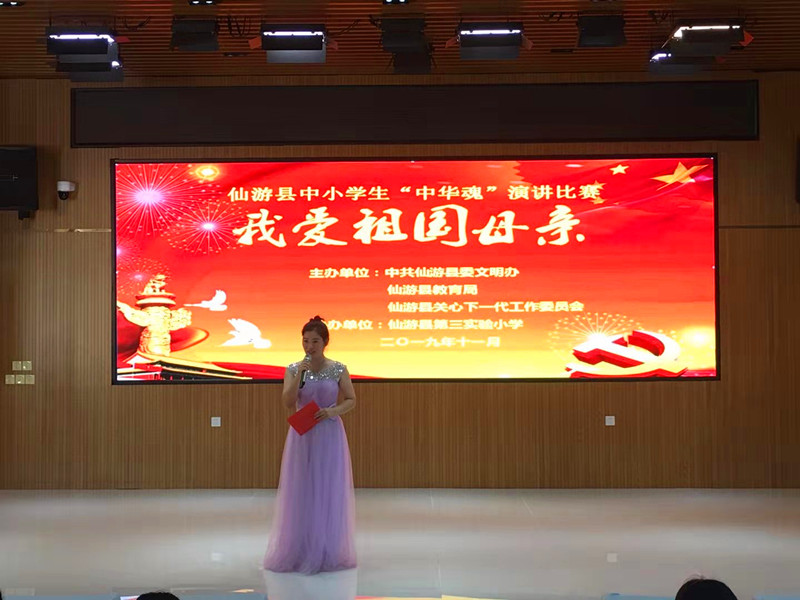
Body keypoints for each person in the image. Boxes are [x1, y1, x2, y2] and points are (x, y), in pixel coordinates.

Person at [264, 316, 357, 575]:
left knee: (326, 487)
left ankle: (326, 548)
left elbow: (351, 399)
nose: (309, 346)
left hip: (328, 431)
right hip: (302, 434)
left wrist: (332, 411)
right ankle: (299, 548)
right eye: (305, 341)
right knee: (301, 488)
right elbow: (287, 401)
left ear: (325, 342)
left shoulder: (338, 369)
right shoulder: (294, 369)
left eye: (315, 341)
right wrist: (299, 376)